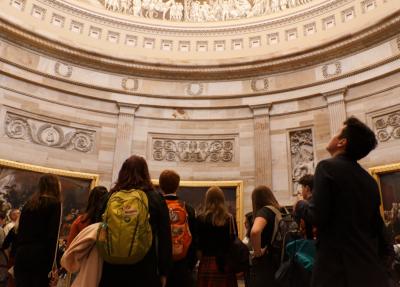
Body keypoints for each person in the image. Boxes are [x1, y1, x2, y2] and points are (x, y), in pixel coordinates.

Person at [306, 116, 393, 287]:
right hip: (369, 270)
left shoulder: (326, 167)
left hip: (336, 271)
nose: (332, 135)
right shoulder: (369, 180)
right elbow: (378, 228)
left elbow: (317, 215)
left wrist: (301, 206)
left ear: (342, 142)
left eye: (337, 133)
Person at [98, 155, 172, 287]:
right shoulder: (156, 198)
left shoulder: (109, 196)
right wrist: (164, 272)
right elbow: (164, 238)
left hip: (111, 270)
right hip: (144, 270)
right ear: (145, 173)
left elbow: (97, 231)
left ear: (122, 172)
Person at [14, 174, 62, 287]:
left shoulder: (29, 203)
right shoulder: (55, 204)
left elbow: (20, 231)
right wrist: (53, 267)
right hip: (41, 257)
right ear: (55, 186)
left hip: (22, 254)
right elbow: (52, 237)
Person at [159, 169, 197, 287]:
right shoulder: (188, 209)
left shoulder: (156, 206)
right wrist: (190, 265)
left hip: (160, 268)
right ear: (177, 186)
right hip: (182, 266)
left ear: (160, 186)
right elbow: (194, 240)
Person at [197, 186, 237, 287]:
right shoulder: (229, 218)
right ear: (222, 199)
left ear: (207, 199)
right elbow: (233, 242)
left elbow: (198, 245)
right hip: (224, 264)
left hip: (206, 262)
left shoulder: (200, 218)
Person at [249, 185, 285, 287]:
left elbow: (255, 231)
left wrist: (257, 252)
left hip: (265, 261)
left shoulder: (264, 211)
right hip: (276, 259)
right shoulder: (277, 211)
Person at [294, 174, 314, 239]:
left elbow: (296, 226)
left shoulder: (302, 205)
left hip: (308, 242)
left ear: (307, 188)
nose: (301, 191)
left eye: (302, 187)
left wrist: (297, 203)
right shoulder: (319, 202)